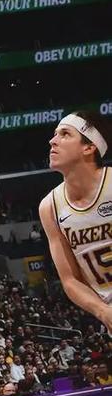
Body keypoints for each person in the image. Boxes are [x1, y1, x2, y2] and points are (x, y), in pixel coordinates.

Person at [39, 111, 112, 335]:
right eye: (55, 134)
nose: (52, 141)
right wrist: (102, 311)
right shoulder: (49, 207)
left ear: (89, 147)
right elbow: (70, 280)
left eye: (65, 134)